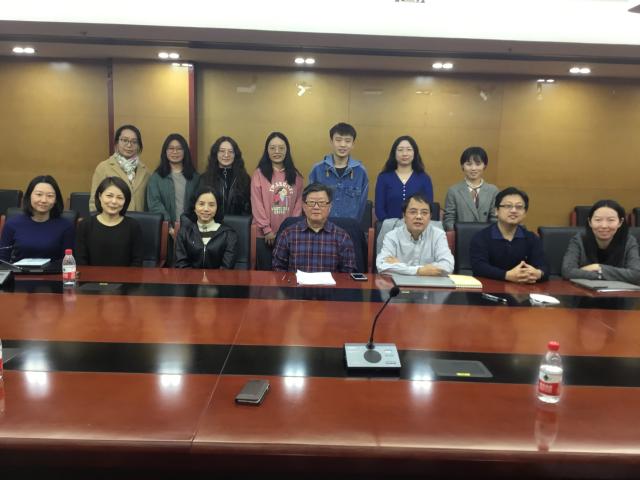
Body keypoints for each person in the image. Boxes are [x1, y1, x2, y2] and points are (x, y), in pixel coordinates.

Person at [470, 186, 548, 283]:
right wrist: (506, 275)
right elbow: (479, 267)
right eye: (508, 206)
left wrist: (538, 273)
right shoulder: (481, 237)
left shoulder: (531, 238)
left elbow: (544, 267)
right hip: (490, 288)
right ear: (496, 211)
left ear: (525, 213)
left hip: (523, 289)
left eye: (519, 207)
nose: (514, 210)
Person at [272, 183, 356, 273]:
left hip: (330, 283)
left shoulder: (342, 237)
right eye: (311, 202)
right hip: (296, 282)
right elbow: (278, 268)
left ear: (330, 207)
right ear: (304, 206)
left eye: (322, 203)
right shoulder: (288, 234)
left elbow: (348, 272)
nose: (316, 207)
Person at [251, 132, 304, 269]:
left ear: (287, 150)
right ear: (267, 150)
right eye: (272, 148)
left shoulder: (296, 176)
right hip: (264, 235)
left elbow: (298, 205)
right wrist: (267, 230)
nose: (277, 151)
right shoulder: (259, 174)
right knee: (265, 275)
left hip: (289, 236)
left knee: (285, 274)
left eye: (281, 148)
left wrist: (289, 230)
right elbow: (257, 204)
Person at [561, 199, 640, 284]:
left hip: (621, 291)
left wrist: (598, 267)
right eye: (598, 220)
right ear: (590, 222)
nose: (604, 226)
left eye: (611, 220)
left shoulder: (629, 241)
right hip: (585, 291)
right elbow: (567, 271)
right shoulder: (579, 239)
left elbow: (636, 274)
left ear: (620, 222)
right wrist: (600, 275)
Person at [0, 175, 74, 262]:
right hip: (19, 271)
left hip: (54, 271)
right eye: (39, 194)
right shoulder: (12, 224)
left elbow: (68, 262)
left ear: (56, 200)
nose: (44, 200)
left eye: (50, 196)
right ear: (29, 196)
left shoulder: (66, 226)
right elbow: (2, 260)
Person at [377, 193, 453, 275]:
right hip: (400, 283)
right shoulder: (392, 236)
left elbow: (448, 266)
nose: (419, 217)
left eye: (424, 213)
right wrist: (419, 271)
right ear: (404, 216)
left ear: (430, 217)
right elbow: (382, 265)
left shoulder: (438, 235)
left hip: (429, 283)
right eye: (413, 212)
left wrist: (400, 267)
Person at [76, 177, 143, 266]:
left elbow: (137, 262)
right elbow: (80, 262)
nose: (114, 201)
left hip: (124, 275)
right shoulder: (85, 225)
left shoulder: (133, 226)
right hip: (91, 275)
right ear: (100, 196)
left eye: (120, 197)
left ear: (125, 201)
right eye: (109, 196)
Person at [308, 122, 368, 221]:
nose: (343, 145)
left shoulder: (361, 172)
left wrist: (354, 225)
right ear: (331, 142)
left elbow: (362, 205)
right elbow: (310, 202)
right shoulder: (317, 170)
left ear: (353, 144)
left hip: (349, 226)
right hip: (322, 226)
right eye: (338, 140)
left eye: (347, 141)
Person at [146, 133, 200, 237]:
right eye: (171, 148)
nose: (175, 152)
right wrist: (169, 228)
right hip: (165, 231)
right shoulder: (156, 178)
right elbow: (154, 204)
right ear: (165, 151)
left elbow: (199, 204)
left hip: (191, 231)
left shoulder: (195, 178)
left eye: (179, 149)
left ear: (185, 152)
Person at [174, 186, 238, 269]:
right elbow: (181, 265)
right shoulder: (184, 233)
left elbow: (226, 268)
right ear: (194, 207)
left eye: (211, 205)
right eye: (201, 204)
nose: (206, 209)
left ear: (217, 208)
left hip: (219, 277)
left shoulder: (229, 235)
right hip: (189, 277)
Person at [89, 124, 150, 212]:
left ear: (138, 145)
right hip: (111, 219)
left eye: (134, 142)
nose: (129, 145)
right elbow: (94, 201)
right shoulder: (103, 167)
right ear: (117, 143)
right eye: (124, 140)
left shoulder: (145, 171)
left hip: (138, 219)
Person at [375, 135, 434, 222]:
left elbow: (428, 208)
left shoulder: (424, 178)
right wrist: (392, 225)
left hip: (417, 226)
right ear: (394, 153)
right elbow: (379, 209)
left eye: (409, 150)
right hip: (390, 227)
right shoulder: (383, 178)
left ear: (415, 153)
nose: (404, 154)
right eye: (400, 150)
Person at [443, 146, 499, 231]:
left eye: (478, 164)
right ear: (462, 166)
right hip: (461, 236)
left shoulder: (493, 190)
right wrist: (457, 234)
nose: (473, 168)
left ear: (484, 166)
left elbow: (495, 218)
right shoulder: (453, 191)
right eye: (469, 164)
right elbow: (449, 219)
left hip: (486, 236)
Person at [199, 136, 251, 216]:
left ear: (236, 155)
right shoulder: (204, 178)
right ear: (216, 154)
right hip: (212, 222)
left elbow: (249, 207)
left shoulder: (245, 178)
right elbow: (199, 205)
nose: (226, 155)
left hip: (238, 222)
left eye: (231, 151)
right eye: (222, 151)